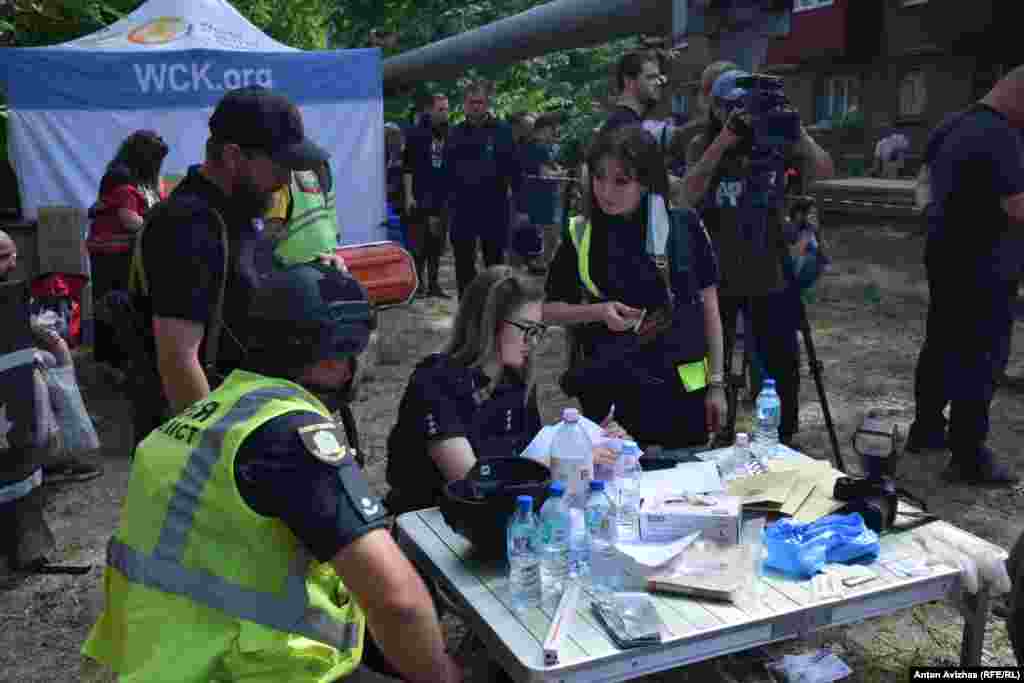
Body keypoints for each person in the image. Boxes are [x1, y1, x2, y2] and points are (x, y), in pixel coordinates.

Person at [82, 264, 462, 683]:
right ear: (335, 359)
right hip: (235, 668)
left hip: (163, 659)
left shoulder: (217, 410)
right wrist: (443, 676)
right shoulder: (291, 437)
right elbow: (397, 603)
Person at [126, 86, 328, 446]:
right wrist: (214, 456)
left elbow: (241, 296)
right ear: (234, 156)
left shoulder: (236, 211)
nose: (286, 180)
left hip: (243, 420)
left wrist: (309, 277)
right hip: (205, 442)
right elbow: (178, 360)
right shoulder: (187, 223)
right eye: (280, 165)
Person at [384, 266, 625, 516]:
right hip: (428, 520)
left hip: (493, 519)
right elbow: (471, 482)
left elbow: (531, 462)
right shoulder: (435, 380)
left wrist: (590, 440)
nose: (533, 341)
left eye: (538, 330)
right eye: (527, 329)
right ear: (489, 324)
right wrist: (573, 459)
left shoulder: (515, 381)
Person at [544, 126, 725, 453]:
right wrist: (598, 311)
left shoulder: (684, 226)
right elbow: (546, 310)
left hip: (683, 397)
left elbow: (710, 310)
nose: (606, 191)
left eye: (621, 181)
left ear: (646, 181)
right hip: (612, 397)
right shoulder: (581, 232)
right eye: (598, 177)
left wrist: (716, 384)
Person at [684, 67, 834, 445]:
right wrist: (723, 142)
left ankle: (784, 434)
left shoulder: (775, 141)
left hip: (772, 269)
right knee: (712, 359)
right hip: (718, 271)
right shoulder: (704, 143)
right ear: (717, 109)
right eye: (733, 107)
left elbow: (824, 170)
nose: (745, 116)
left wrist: (798, 132)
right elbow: (687, 194)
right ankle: (712, 428)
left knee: (782, 360)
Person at [906, 67, 1024, 485]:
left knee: (941, 344)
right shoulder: (1001, 135)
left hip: (945, 259)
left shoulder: (951, 124)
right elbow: (1016, 207)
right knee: (982, 357)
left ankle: (926, 429)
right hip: (987, 266)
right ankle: (968, 455)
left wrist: (934, 218)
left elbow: (922, 183)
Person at [87, 130, 169, 369]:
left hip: (121, 249)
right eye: (156, 160)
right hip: (113, 251)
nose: (158, 165)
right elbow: (128, 218)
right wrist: (158, 226)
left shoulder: (134, 175)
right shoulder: (122, 178)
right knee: (114, 302)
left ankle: (116, 357)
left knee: (117, 301)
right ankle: (113, 359)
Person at [444, 80, 522, 298]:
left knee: (494, 261)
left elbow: (514, 169)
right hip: (462, 207)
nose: (476, 106)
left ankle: (494, 305)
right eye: (471, 102)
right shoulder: (455, 133)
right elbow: (447, 172)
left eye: (479, 102)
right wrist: (445, 206)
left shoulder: (502, 131)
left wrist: (520, 206)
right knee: (463, 261)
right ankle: (467, 307)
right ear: (464, 105)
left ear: (487, 104)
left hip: (494, 205)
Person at [403, 94, 452, 298]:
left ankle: (433, 284)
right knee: (419, 244)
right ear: (430, 110)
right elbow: (407, 168)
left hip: (441, 197)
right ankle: (419, 285)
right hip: (420, 195)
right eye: (441, 109)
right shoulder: (416, 133)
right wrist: (408, 196)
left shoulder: (449, 133)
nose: (445, 113)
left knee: (437, 243)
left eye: (446, 109)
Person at [518, 112, 566, 272]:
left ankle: (540, 263)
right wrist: (563, 173)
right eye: (553, 129)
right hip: (543, 197)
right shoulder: (540, 148)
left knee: (547, 236)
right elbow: (546, 174)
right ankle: (542, 264)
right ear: (545, 129)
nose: (555, 132)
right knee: (551, 236)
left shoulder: (530, 146)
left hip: (537, 196)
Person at [601, 51, 666, 134]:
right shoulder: (623, 124)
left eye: (658, 78)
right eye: (651, 77)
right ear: (628, 81)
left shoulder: (626, 121)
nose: (658, 82)